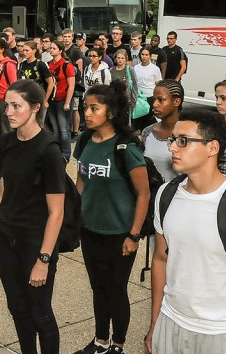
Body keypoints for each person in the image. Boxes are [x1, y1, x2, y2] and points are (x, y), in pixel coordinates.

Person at [145, 108, 226, 354]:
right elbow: (161, 258)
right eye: (173, 140)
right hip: (171, 322)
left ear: (212, 148)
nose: (172, 148)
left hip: (222, 333)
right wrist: (155, 323)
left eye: (183, 141)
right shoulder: (165, 195)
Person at [0, 79, 65, 354]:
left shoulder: (49, 151)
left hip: (35, 243)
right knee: (17, 309)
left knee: (40, 312)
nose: (8, 112)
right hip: (8, 238)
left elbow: (57, 212)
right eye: (7, 105)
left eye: (16, 106)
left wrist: (43, 260)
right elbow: (1, 194)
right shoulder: (6, 142)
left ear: (35, 108)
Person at [73, 82, 150, 354]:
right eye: (85, 108)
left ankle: (118, 344)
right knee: (98, 288)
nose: (87, 113)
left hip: (119, 234)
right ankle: (100, 341)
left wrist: (134, 234)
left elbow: (143, 193)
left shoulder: (125, 148)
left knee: (116, 290)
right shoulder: (84, 140)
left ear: (111, 111)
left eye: (95, 108)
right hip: (90, 229)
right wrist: (74, 216)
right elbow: (81, 180)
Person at [141, 80, 183, 182]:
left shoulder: (191, 135)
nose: (155, 104)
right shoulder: (147, 132)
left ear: (176, 102)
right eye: (154, 99)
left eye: (161, 100)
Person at [47, 40, 76, 161]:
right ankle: (57, 152)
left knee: (64, 129)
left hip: (63, 98)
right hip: (52, 100)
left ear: (60, 50)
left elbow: (71, 85)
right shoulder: (48, 64)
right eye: (50, 48)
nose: (51, 50)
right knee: (55, 129)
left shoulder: (66, 65)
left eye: (54, 48)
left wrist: (68, 102)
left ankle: (66, 153)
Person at [133, 46, 162, 131]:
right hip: (138, 97)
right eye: (142, 54)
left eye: (146, 55)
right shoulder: (136, 68)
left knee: (147, 118)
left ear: (150, 56)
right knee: (137, 117)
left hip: (150, 96)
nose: (144, 56)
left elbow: (158, 84)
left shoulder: (155, 69)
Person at [18, 41, 54, 107]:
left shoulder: (40, 64)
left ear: (34, 50)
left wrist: (45, 100)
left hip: (39, 95)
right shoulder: (22, 64)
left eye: (27, 50)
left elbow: (50, 83)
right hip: (26, 95)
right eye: (23, 50)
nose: (24, 53)